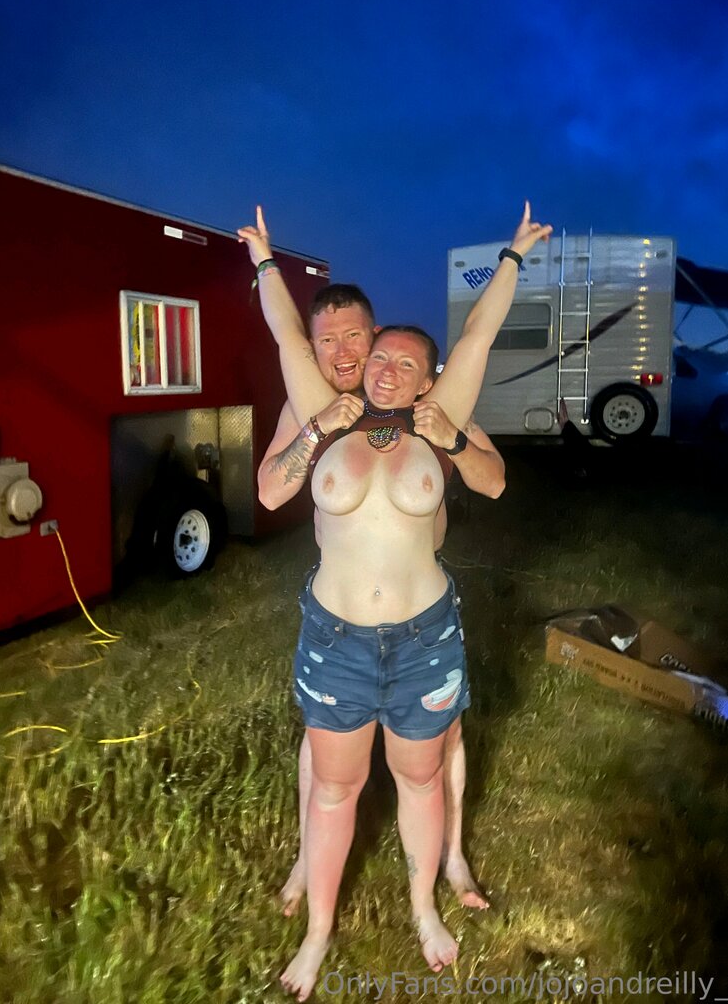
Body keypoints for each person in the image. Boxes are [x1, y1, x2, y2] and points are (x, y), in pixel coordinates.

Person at [238, 202, 552, 1002]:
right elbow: (286, 334)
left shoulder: (440, 419)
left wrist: (513, 256)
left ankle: (423, 907)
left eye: (404, 362)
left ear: (429, 377)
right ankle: (318, 933)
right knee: (333, 785)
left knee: (421, 777)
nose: (382, 368)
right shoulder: (323, 407)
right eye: (376, 357)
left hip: (423, 638)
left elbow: (478, 335)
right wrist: (264, 260)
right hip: (336, 638)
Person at [257, 282, 504, 916]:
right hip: (338, 625)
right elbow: (271, 488)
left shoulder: (432, 405)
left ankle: (450, 857)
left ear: (374, 339)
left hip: (421, 618)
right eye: (328, 341)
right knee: (325, 759)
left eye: (354, 339)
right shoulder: (316, 405)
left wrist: (451, 439)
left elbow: (492, 473)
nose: (344, 353)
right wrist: (262, 260)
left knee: (439, 748)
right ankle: (309, 864)